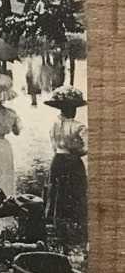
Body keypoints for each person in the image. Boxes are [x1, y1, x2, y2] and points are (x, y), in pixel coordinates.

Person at [43, 85, 87, 244]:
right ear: (73, 110)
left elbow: (53, 145)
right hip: (72, 161)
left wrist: (61, 149)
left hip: (57, 159)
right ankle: (74, 221)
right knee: (74, 189)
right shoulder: (79, 126)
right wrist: (78, 152)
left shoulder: (54, 125)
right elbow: (89, 147)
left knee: (57, 188)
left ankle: (56, 220)